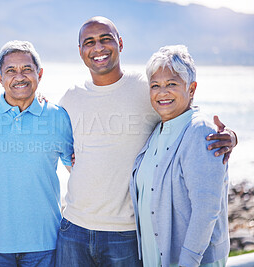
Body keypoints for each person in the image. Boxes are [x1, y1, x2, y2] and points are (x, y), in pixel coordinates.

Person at [56, 16, 236, 266]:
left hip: (127, 232)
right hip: (73, 227)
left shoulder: (146, 88)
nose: (98, 48)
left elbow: (188, 115)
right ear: (80, 50)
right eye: (89, 42)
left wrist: (230, 137)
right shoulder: (70, 97)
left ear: (120, 43)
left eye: (106, 39)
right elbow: (61, 146)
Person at [0, 40, 74, 267]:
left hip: (45, 241)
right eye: (11, 71)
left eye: (27, 69)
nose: (19, 76)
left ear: (39, 74)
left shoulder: (59, 117)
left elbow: (77, 168)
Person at [129, 45, 229, 267]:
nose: (162, 92)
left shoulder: (200, 130)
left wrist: (188, 262)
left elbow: (206, 208)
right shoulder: (158, 131)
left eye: (171, 84)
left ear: (191, 89)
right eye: (155, 85)